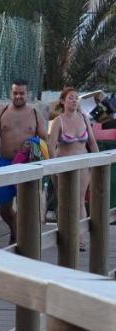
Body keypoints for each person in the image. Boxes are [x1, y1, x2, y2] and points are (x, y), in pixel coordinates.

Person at [0, 79, 48, 244]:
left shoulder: (35, 115)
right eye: (15, 92)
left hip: (27, 166)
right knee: (4, 208)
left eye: (21, 93)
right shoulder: (1, 114)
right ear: (11, 93)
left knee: (25, 206)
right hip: (4, 164)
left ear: (27, 94)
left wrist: (47, 160)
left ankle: (19, 240)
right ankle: (15, 229)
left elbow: (45, 139)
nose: (18, 96)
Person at [47, 86, 100, 250]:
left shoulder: (84, 118)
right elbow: (50, 146)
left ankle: (80, 239)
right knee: (65, 202)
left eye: (76, 97)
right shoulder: (58, 121)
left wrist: (97, 163)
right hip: (63, 166)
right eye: (71, 97)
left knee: (79, 201)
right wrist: (53, 167)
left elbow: (92, 142)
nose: (74, 100)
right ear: (63, 101)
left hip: (83, 166)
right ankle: (65, 235)